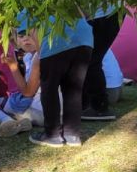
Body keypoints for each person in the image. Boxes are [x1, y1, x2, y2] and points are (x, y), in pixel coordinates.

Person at [19, 12, 94, 147]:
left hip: (55, 40)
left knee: (49, 87)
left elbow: (32, 31)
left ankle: (52, 135)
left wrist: (41, 54)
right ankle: (72, 134)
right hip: (84, 38)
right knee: (73, 88)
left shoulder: (22, 9)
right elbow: (84, 14)